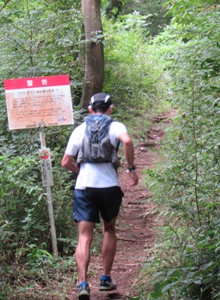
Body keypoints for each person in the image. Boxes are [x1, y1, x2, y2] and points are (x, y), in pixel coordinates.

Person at [61, 92, 139, 300]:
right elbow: (128, 141)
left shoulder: (80, 129)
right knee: (109, 229)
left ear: (89, 109)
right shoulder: (116, 127)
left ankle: (83, 284)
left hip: (84, 187)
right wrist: (131, 169)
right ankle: (105, 278)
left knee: (84, 236)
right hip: (109, 186)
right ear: (110, 109)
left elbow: (66, 161)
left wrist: (82, 171)